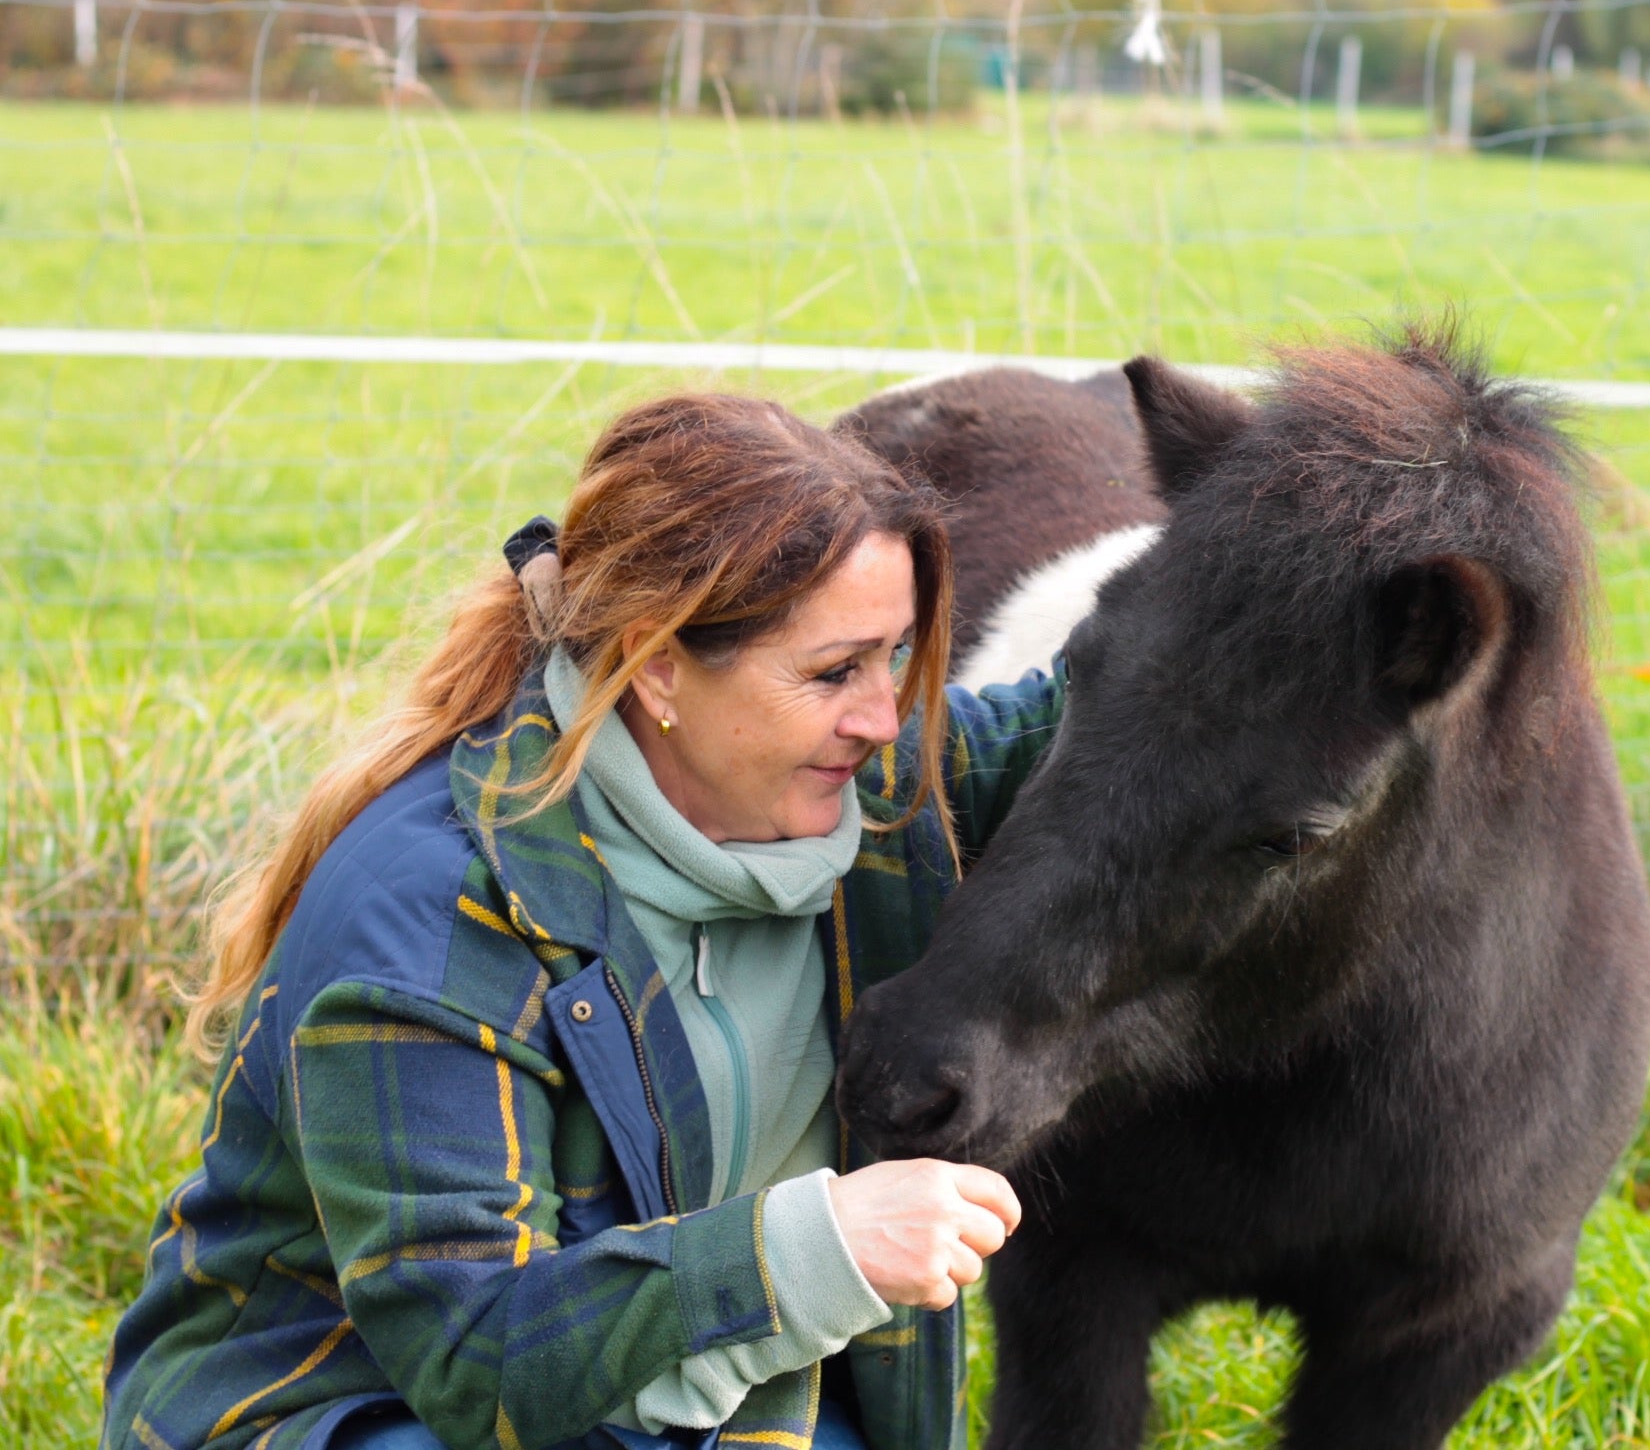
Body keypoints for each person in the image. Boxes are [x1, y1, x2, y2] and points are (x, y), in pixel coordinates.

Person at [104, 394, 1064, 1450]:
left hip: (707, 1399)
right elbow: (479, 1359)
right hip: (371, 1411)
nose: (884, 717)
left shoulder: (879, 795)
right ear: (656, 664)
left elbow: (1157, 696)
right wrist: (815, 1248)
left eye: (894, 656)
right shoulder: (438, 916)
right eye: (834, 670)